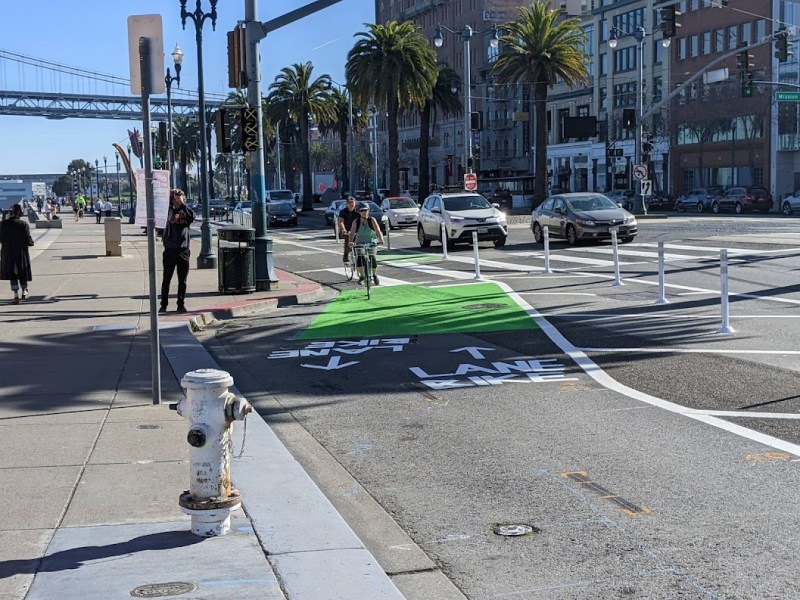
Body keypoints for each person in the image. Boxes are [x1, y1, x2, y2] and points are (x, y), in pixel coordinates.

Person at [159, 188, 194, 314]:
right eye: (174, 198)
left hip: (183, 250)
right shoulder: (168, 211)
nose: (177, 200)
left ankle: (181, 304)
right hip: (169, 250)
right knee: (166, 279)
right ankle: (163, 305)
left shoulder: (185, 210)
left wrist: (182, 204)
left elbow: (191, 217)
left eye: (179, 197)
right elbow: (166, 218)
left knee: (182, 280)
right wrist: (170, 200)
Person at [0, 204, 34, 304]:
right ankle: (24, 290)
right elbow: (28, 239)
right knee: (22, 271)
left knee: (12, 273)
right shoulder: (23, 224)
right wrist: (30, 243)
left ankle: (15, 295)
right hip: (21, 251)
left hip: (8, 252)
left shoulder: (3, 224)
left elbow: (1, 238)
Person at [348, 201, 384, 285]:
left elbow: (378, 230)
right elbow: (352, 232)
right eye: (362, 210)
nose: (364, 212)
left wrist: (381, 239)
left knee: (373, 258)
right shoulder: (356, 222)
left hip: (371, 242)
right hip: (360, 242)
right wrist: (351, 242)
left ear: (368, 211)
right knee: (360, 258)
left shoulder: (372, 220)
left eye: (366, 210)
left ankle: (374, 275)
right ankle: (361, 276)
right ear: (359, 212)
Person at [337, 196, 359, 268]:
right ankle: (346, 256)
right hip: (346, 231)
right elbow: (341, 221)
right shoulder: (343, 212)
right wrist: (343, 229)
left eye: (352, 203)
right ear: (347, 204)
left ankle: (360, 256)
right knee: (348, 238)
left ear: (355, 203)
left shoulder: (358, 211)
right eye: (349, 203)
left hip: (356, 230)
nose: (351, 204)